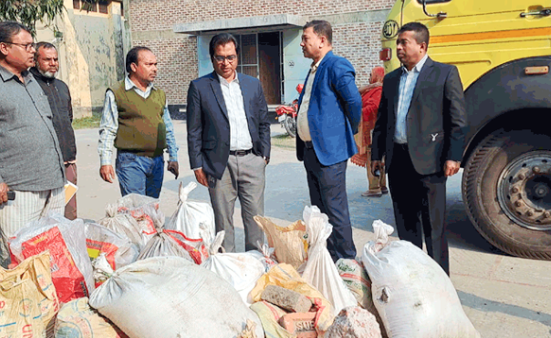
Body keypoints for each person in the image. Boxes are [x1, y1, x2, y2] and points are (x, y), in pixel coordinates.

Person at [371, 22, 467, 275]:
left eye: (404, 42)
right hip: (398, 160)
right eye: (398, 43)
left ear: (422, 46)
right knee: (406, 226)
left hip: (431, 162)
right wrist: (376, 154)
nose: (399, 47)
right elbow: (382, 121)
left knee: (434, 227)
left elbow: (457, 120)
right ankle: (413, 279)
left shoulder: (444, 74)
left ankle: (438, 282)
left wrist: (453, 156)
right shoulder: (392, 79)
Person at [186, 33, 271, 253]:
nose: (226, 63)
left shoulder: (253, 85)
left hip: (252, 160)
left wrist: (264, 155)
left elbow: (263, 122)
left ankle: (255, 263)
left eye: (231, 57)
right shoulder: (200, 87)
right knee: (223, 222)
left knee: (255, 220)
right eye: (220, 58)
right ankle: (227, 268)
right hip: (218, 164)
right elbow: (194, 130)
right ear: (212, 58)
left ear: (237, 56)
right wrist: (197, 165)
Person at [0, 22, 66, 266]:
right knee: (17, 258)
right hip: (20, 188)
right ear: (4, 48)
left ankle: (44, 303)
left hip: (53, 184)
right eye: (26, 45)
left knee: (50, 255)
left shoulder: (31, 79)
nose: (32, 50)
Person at [296, 20, 362, 261]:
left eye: (306, 38)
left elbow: (354, 102)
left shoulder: (336, 64)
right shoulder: (315, 67)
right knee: (320, 210)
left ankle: (346, 261)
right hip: (311, 152)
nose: (302, 43)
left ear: (322, 41)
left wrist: (346, 131)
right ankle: (328, 259)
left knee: (335, 210)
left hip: (330, 153)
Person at [98, 46, 179, 198]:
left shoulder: (159, 94)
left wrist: (173, 157)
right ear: (133, 67)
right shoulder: (117, 92)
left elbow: (167, 127)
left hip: (157, 161)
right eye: (149, 64)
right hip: (130, 161)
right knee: (136, 210)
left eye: (155, 64)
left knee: (151, 209)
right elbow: (108, 129)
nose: (154, 69)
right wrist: (105, 161)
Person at [30, 42, 78, 220]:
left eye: (56, 59)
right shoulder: (29, 85)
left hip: (67, 161)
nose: (53, 63)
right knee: (45, 218)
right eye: (47, 59)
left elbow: (68, 119)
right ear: (35, 61)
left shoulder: (62, 86)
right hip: (43, 164)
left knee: (69, 213)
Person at [351, 66, 388, 197]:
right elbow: (355, 93)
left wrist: (359, 113)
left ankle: (374, 188)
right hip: (374, 130)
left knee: (372, 158)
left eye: (371, 74)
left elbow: (375, 107)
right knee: (379, 158)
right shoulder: (375, 89)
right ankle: (382, 186)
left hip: (373, 130)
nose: (369, 77)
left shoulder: (379, 90)